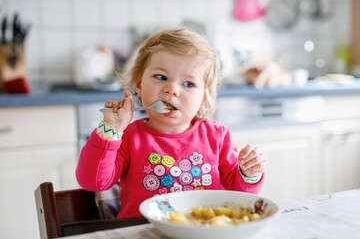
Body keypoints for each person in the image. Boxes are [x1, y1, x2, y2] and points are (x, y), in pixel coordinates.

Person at [76, 27, 266, 219]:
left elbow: (241, 196)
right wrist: (110, 131)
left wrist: (248, 173)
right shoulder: (127, 137)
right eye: (161, 77)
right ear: (140, 85)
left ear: (203, 98)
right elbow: (92, 182)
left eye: (188, 84)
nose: (172, 89)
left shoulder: (217, 136)